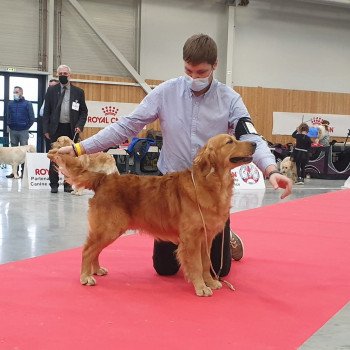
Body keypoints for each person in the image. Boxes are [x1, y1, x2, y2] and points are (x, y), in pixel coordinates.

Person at [57, 34, 292, 277]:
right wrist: (80, 148)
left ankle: (219, 228)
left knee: (219, 271)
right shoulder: (166, 92)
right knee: (165, 269)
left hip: (208, 188)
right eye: (188, 71)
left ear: (215, 66)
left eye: (201, 72)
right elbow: (127, 126)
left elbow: (251, 137)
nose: (194, 78)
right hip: (170, 189)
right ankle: (203, 230)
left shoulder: (230, 100)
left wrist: (271, 170)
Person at [43, 65, 88, 193]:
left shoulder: (78, 92)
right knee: (54, 157)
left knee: (70, 158)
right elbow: (46, 112)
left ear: (70, 75)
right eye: (60, 73)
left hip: (71, 129)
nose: (63, 75)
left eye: (65, 73)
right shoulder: (51, 91)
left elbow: (83, 112)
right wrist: (45, 129)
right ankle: (53, 185)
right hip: (54, 129)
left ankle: (68, 184)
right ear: (57, 75)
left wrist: (80, 125)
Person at [6, 86, 35, 178]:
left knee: (24, 153)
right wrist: (9, 124)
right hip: (13, 130)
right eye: (14, 92)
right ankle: (14, 172)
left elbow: (32, 118)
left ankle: (23, 173)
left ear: (21, 93)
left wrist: (26, 127)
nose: (15, 94)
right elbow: (7, 115)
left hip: (23, 131)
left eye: (17, 92)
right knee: (12, 153)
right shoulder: (10, 104)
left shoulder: (28, 104)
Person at [39, 79, 59, 152]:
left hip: (59, 129)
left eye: (53, 86)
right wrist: (46, 130)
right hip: (49, 129)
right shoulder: (47, 97)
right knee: (49, 150)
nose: (51, 88)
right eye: (49, 86)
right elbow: (42, 113)